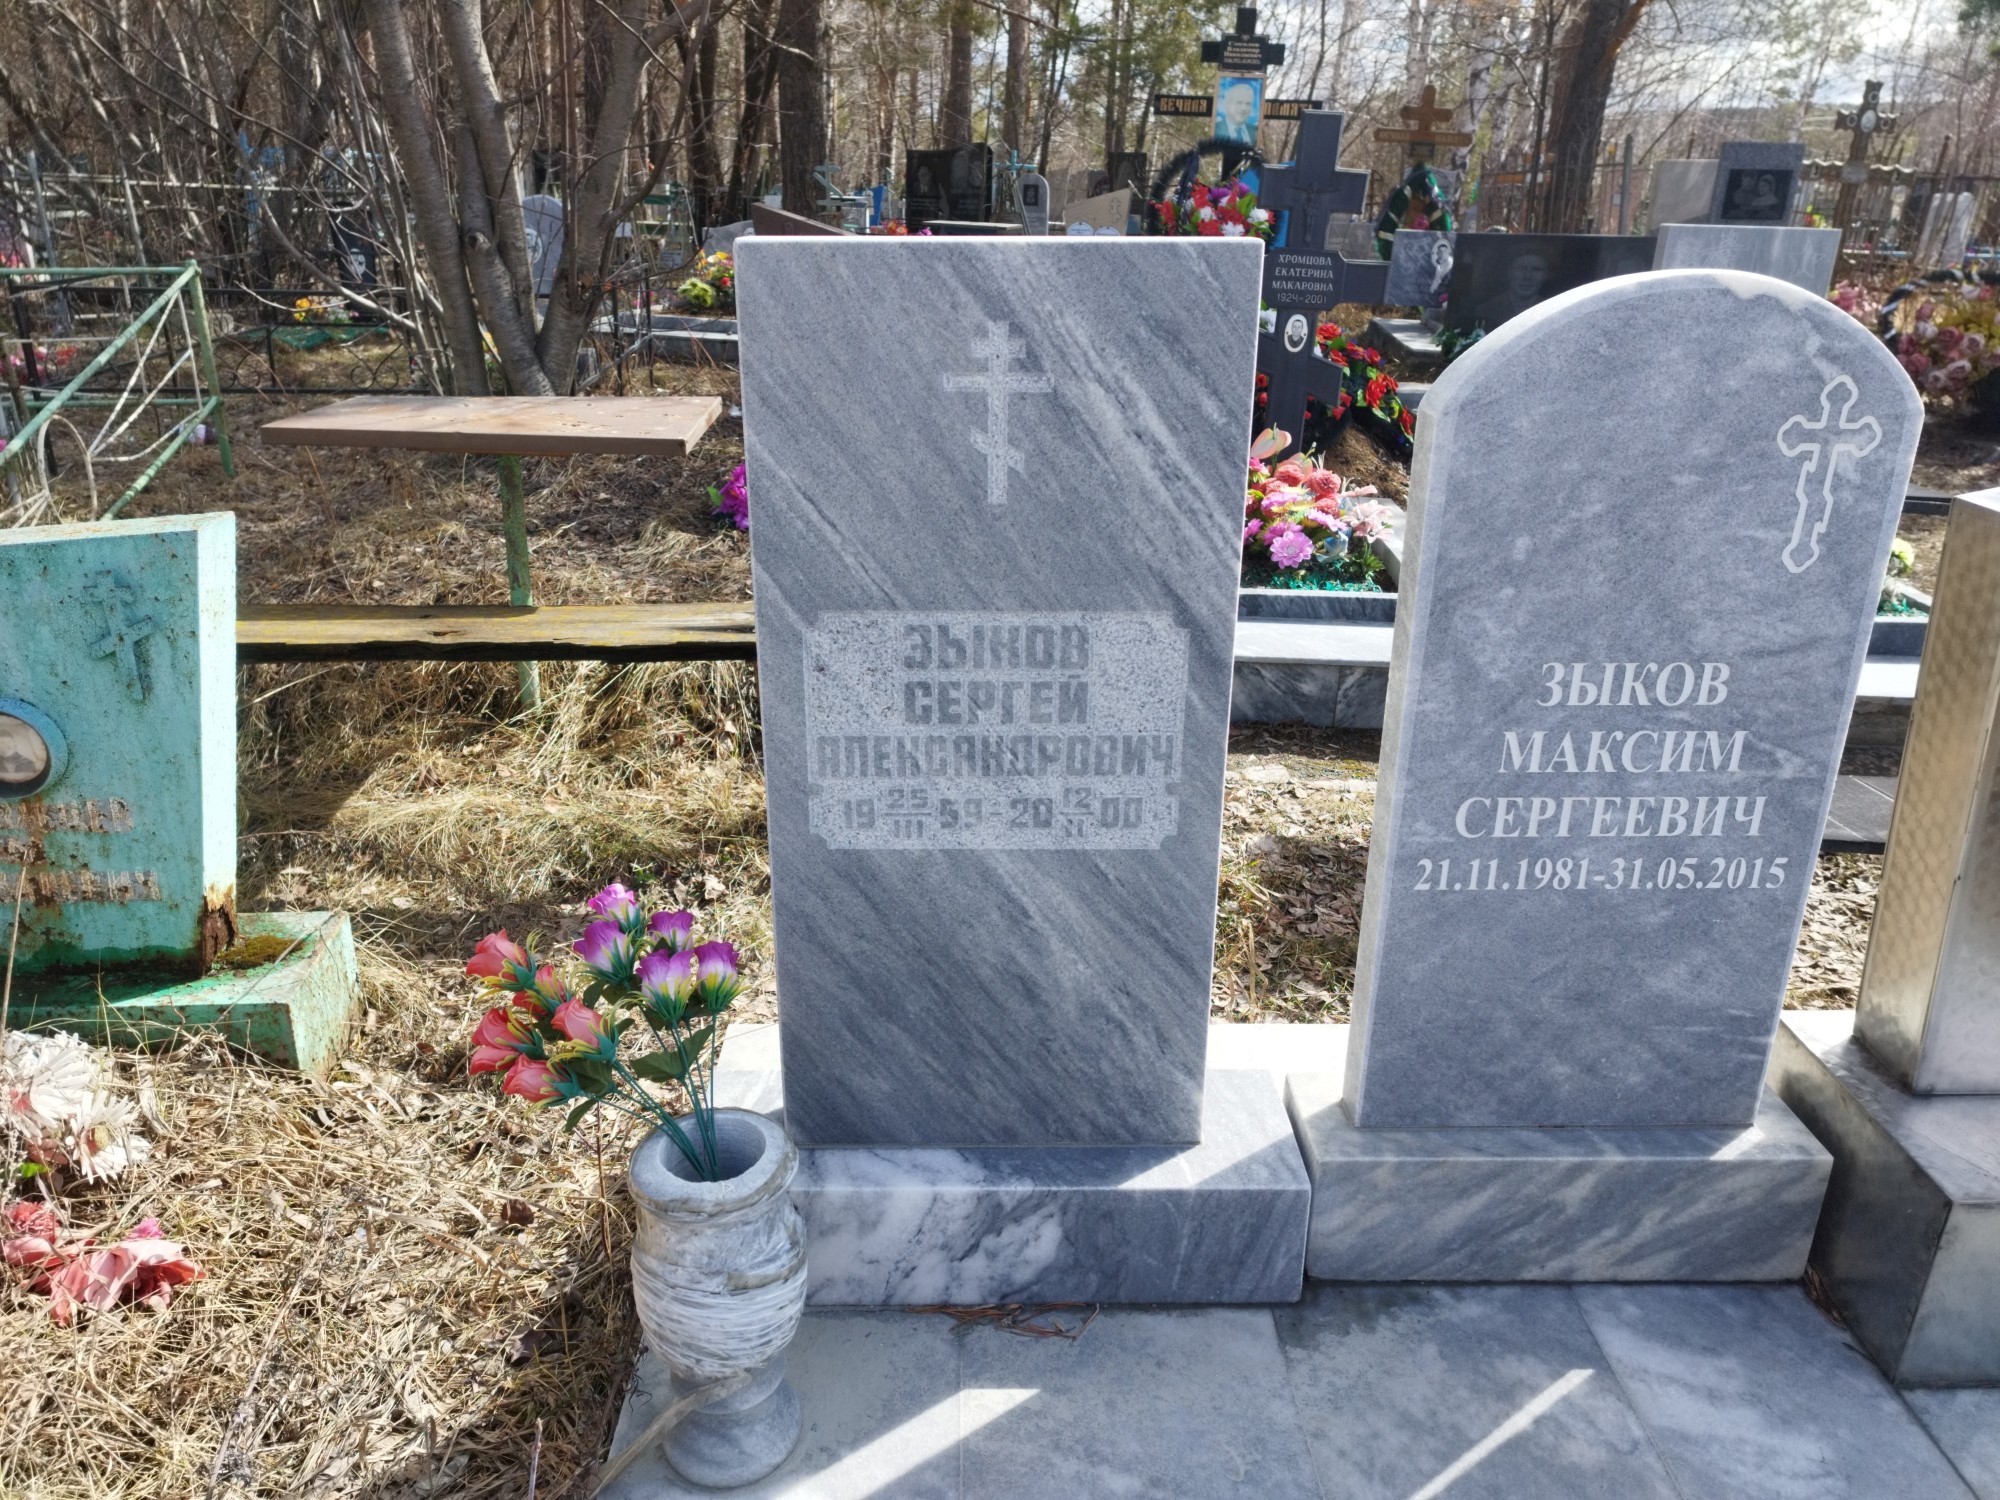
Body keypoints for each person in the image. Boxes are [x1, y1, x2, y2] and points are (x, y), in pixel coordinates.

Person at [1476, 251, 1548, 328]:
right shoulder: (1486, 311)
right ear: (1509, 272)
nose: (1527, 276)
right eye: (1521, 269)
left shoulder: (1550, 311)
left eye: (1536, 270)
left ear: (1545, 276)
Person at [1215, 80, 1261, 145]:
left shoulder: (1255, 131)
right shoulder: (1216, 128)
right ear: (1228, 104)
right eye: (1239, 102)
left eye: (1248, 104)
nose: (1243, 108)